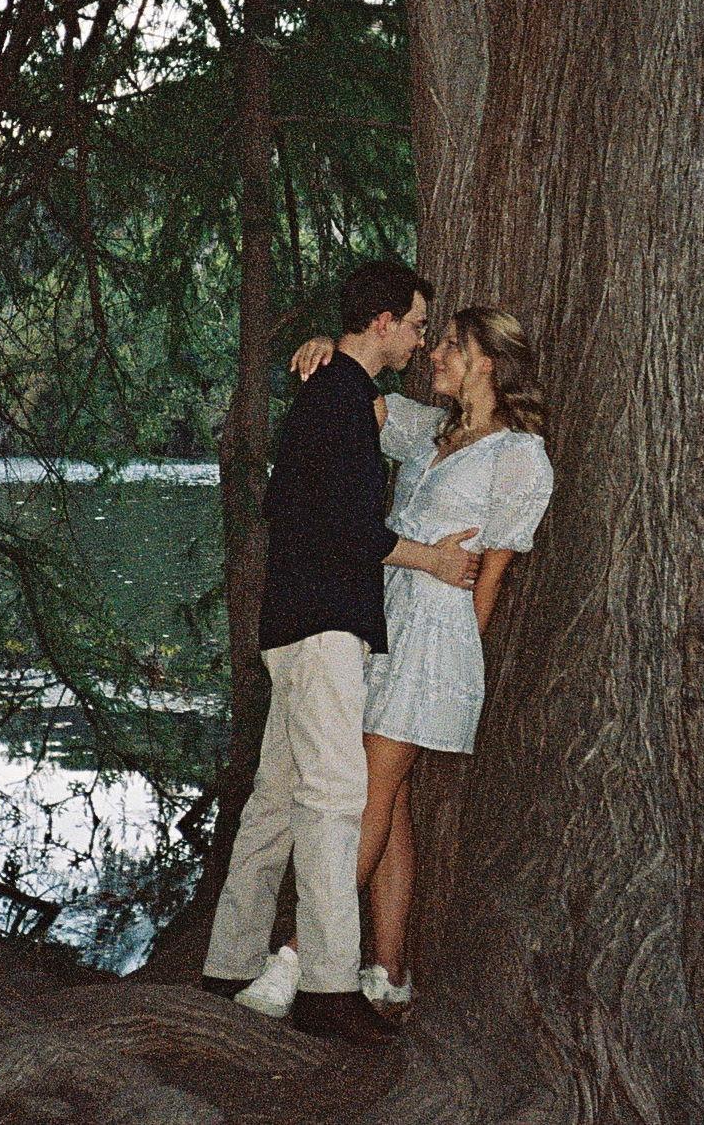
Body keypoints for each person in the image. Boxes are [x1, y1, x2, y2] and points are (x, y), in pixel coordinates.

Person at [238, 305, 553, 1018]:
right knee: (392, 799)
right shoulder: (426, 431)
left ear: (486, 363)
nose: (433, 354)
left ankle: (295, 960)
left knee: (366, 796)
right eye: (433, 340)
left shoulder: (519, 457)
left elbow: (492, 573)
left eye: (451, 346)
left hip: (435, 641)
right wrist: (328, 344)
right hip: (381, 619)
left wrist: (455, 667)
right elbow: (359, 390)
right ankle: (389, 971)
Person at [200, 260, 482, 1047]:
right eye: (416, 325)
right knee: (333, 802)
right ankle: (327, 987)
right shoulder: (339, 399)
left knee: (274, 799)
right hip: (323, 625)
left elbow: (300, 506)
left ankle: (227, 963)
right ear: (383, 321)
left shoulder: (335, 393)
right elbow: (340, 524)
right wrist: (431, 560)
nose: (420, 341)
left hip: (294, 623)